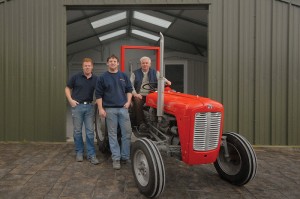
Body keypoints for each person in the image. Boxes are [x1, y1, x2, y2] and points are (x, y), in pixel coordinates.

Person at [95, 54, 133, 170]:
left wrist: (128, 102)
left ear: (118, 63)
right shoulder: (102, 78)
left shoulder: (123, 76)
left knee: (127, 133)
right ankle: (116, 158)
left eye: (114, 61)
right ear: (107, 63)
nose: (112, 63)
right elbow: (98, 95)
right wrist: (101, 109)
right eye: (110, 61)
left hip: (123, 109)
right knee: (112, 135)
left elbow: (129, 90)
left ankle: (125, 157)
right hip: (110, 110)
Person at [65, 58, 100, 165]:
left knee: (90, 132)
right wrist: (70, 100)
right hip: (77, 107)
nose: (87, 67)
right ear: (82, 66)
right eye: (85, 65)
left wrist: (98, 103)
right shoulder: (76, 77)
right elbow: (67, 88)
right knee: (77, 131)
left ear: (92, 66)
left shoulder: (96, 79)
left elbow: (100, 91)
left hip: (89, 107)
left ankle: (91, 155)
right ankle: (79, 152)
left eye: (89, 65)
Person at [130, 56, 171, 131]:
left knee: (162, 102)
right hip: (140, 94)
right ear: (141, 64)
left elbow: (162, 79)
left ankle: (159, 123)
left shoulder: (155, 72)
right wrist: (135, 94)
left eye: (146, 63)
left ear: (150, 64)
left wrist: (167, 81)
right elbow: (130, 85)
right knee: (137, 101)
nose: (145, 64)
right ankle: (141, 123)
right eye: (143, 63)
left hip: (151, 94)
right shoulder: (135, 73)